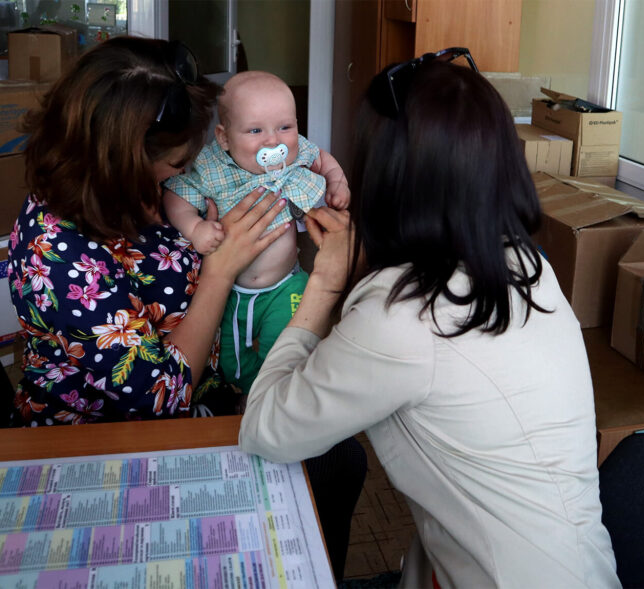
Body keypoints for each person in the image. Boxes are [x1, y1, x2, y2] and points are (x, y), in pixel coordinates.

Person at [239, 52, 620, 588]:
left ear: (388, 175)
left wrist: (324, 282)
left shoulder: (403, 317)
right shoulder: (526, 264)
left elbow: (266, 430)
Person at [8, 38, 366, 582]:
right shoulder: (58, 252)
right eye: (175, 164)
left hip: (217, 383)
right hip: (117, 440)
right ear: (122, 160)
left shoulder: (143, 190)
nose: (187, 171)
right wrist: (225, 270)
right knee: (325, 464)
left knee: (336, 455)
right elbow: (159, 396)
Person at [164, 70, 349, 399]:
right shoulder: (211, 167)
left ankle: (278, 397)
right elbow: (177, 195)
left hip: (286, 283)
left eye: (285, 127)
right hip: (233, 291)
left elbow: (323, 159)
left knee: (288, 349)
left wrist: (337, 182)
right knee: (231, 362)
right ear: (224, 138)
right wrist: (195, 227)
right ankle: (249, 396)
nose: (272, 141)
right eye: (255, 130)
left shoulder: (297, 154)